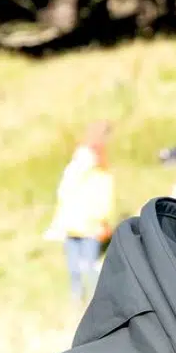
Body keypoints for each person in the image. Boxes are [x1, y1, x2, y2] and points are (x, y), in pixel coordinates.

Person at [45, 123, 117, 303]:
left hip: (90, 228)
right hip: (72, 227)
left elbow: (104, 201)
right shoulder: (73, 175)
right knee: (74, 269)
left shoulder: (101, 176)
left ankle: (96, 302)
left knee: (89, 266)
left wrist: (101, 221)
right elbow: (63, 197)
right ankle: (77, 301)